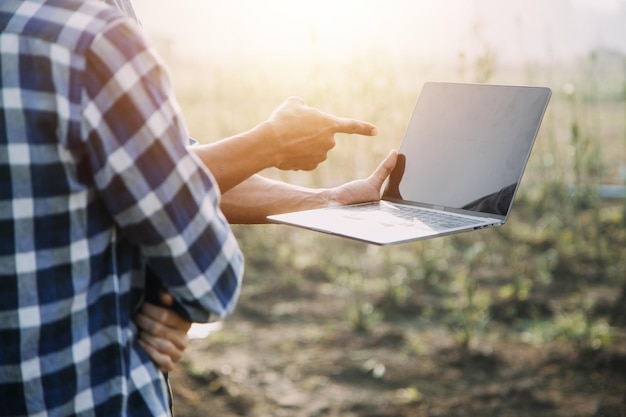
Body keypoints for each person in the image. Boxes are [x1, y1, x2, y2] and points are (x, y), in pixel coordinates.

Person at [0, 1, 396, 417]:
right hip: (82, 389)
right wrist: (169, 296)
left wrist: (321, 200)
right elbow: (204, 264)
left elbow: (153, 167)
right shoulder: (89, 34)